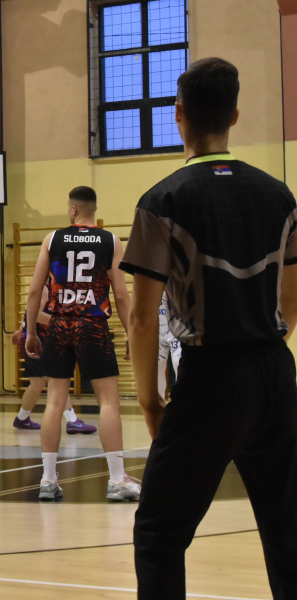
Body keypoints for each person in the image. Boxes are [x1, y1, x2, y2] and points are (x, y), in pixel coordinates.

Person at [122, 57, 297, 600]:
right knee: (287, 527)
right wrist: (266, 346)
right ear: (235, 115)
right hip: (275, 372)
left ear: (178, 114)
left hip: (210, 377)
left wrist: (150, 401)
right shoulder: (281, 196)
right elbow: (292, 297)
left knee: (159, 532)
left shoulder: (162, 200)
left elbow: (142, 317)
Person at [25, 186, 139, 502]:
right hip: (93, 325)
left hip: (59, 325)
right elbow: (121, 295)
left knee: (54, 402)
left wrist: (31, 332)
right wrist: (132, 336)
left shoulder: (52, 239)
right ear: (94, 210)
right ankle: (117, 480)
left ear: (73, 209)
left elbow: (34, 292)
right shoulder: (110, 240)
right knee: (108, 402)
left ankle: (48, 480)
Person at [11, 284, 97, 434]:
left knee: (38, 383)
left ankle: (22, 418)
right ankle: (72, 420)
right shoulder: (44, 289)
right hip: (38, 340)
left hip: (32, 337)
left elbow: (30, 311)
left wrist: (20, 330)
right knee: (56, 379)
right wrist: (63, 321)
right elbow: (36, 314)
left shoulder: (47, 289)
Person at [156, 291, 181, 401]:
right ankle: (159, 404)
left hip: (177, 329)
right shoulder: (150, 283)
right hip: (157, 329)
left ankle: (182, 402)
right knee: (156, 369)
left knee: (179, 364)